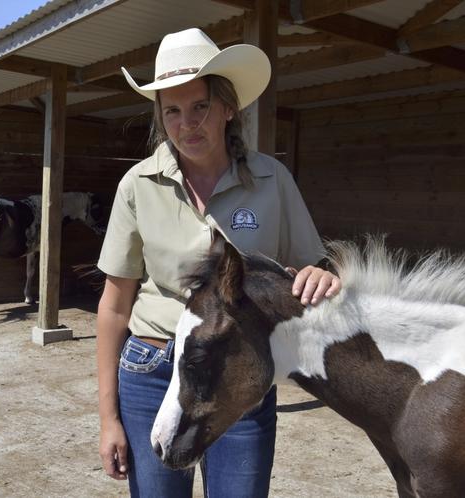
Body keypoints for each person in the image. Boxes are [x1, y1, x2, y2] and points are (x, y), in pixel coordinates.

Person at [96, 27, 341, 498]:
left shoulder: (272, 179)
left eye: (200, 107)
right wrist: (108, 418)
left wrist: (321, 276)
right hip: (152, 369)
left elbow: (316, 267)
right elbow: (114, 305)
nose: (187, 123)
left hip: (239, 371)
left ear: (228, 108)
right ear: (160, 116)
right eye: (172, 111)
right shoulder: (137, 185)